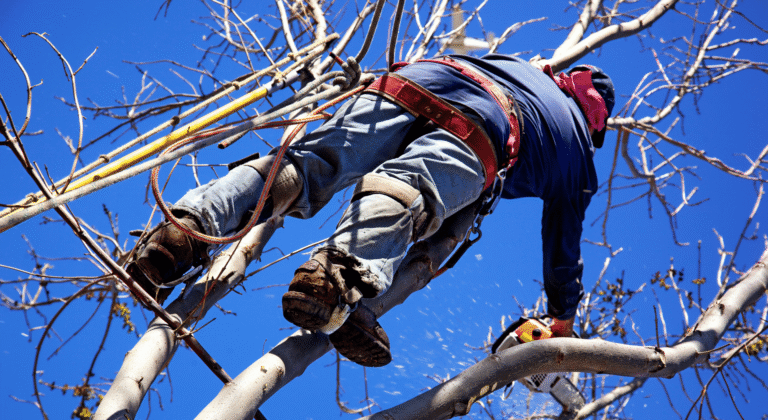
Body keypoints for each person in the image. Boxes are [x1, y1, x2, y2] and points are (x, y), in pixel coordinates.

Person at [126, 54, 615, 368]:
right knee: (412, 191)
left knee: (306, 167)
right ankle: (337, 280)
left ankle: (186, 229)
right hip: (487, 126)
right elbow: (562, 244)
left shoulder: (521, 65)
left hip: (420, 78)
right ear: (597, 125)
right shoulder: (579, 152)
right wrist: (562, 316)